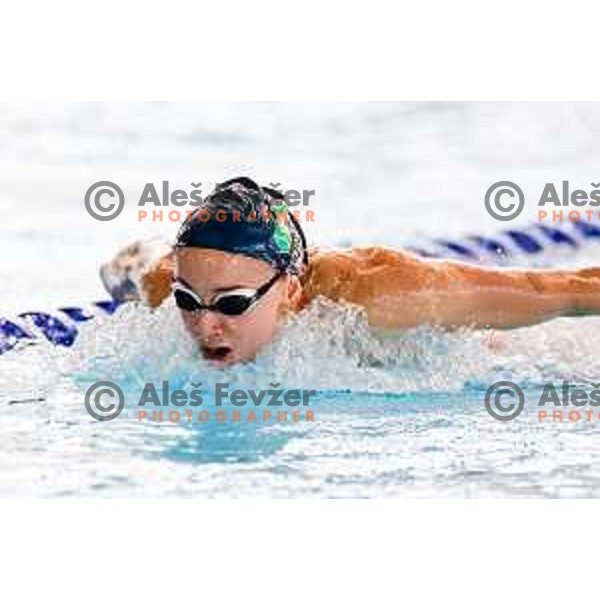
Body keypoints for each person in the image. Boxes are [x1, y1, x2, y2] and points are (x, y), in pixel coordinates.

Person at [101, 177, 600, 365]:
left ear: (292, 293)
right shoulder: (169, 285)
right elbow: (129, 266)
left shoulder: (385, 294)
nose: (202, 325)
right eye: (190, 301)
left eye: (231, 304)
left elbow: (560, 288)